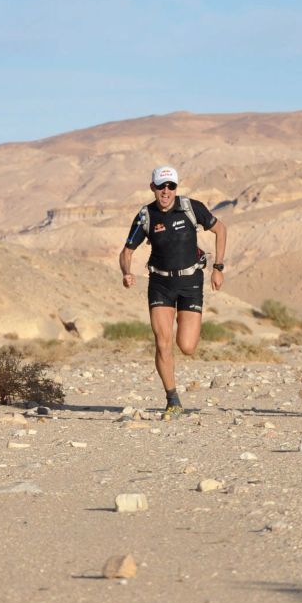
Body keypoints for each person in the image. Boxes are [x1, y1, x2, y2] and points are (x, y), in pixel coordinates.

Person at [119, 165, 227, 419]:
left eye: (171, 186)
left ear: (176, 187)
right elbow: (126, 252)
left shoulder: (191, 207)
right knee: (162, 341)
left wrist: (218, 267)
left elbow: (220, 229)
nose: (166, 191)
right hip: (160, 283)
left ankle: (185, 322)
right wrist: (126, 271)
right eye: (161, 186)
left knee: (187, 346)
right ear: (152, 188)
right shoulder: (146, 216)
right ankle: (173, 399)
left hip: (191, 282)